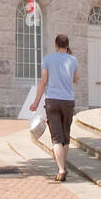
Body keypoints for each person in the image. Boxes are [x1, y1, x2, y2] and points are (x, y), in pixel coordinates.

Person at [30, 33, 79, 182]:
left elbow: (43, 82)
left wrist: (36, 102)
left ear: (56, 45)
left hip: (52, 101)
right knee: (65, 137)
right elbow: (76, 79)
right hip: (68, 101)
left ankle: (61, 169)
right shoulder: (73, 60)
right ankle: (63, 166)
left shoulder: (48, 59)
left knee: (56, 138)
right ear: (67, 46)